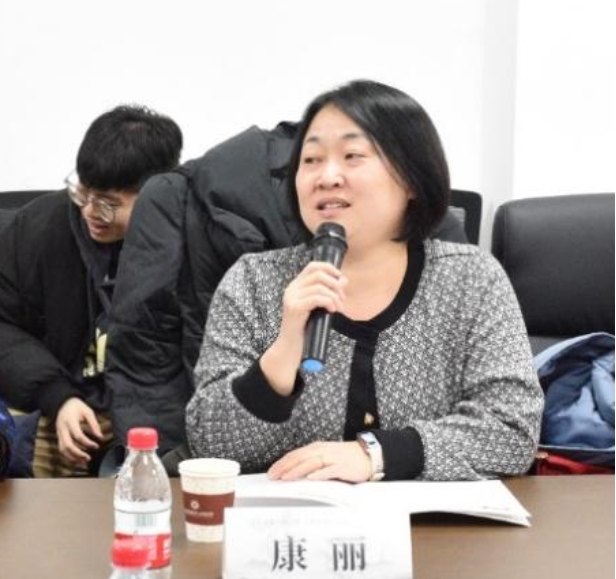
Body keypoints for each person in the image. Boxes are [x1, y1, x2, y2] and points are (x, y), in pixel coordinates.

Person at [185, 80, 544, 482]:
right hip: (294, 516)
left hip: (430, 521)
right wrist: (284, 350)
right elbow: (209, 444)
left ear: (411, 178)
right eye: (310, 159)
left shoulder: (471, 279)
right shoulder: (252, 281)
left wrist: (376, 455)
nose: (327, 176)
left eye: (352, 156)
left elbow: (512, 429)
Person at [105, 122, 467, 471]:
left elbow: (142, 344)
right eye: (313, 159)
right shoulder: (407, 206)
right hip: (366, 467)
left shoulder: (174, 195)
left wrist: (157, 461)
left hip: (233, 468)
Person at [0, 105, 182, 477]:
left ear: (157, 194)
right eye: (83, 193)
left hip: (148, 412)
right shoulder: (36, 229)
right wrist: (58, 397)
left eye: (109, 204)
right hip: (54, 402)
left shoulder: (187, 241)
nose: (91, 212)